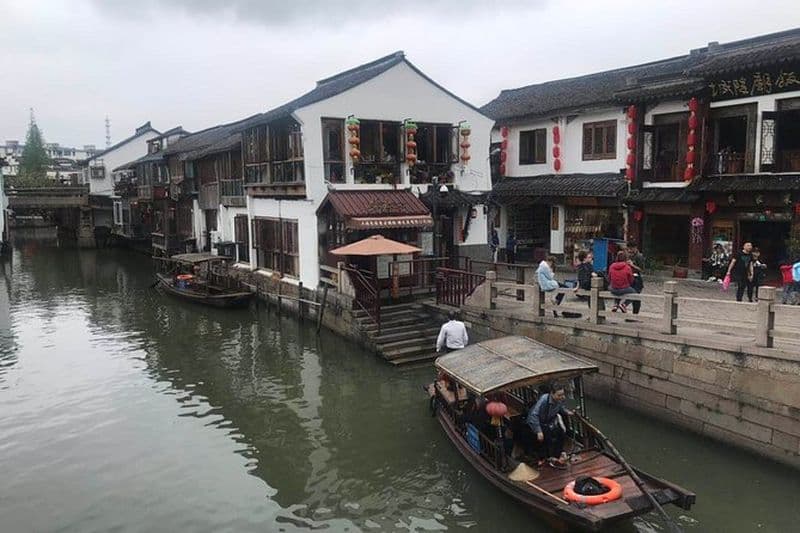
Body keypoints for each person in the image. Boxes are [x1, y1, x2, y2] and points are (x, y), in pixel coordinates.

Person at [526, 382, 573, 468]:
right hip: (536, 422)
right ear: (552, 394)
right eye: (559, 395)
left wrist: (567, 412)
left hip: (549, 421)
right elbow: (534, 415)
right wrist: (538, 431)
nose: (562, 397)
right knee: (544, 437)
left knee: (560, 433)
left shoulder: (559, 400)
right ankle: (543, 458)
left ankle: (557, 455)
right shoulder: (544, 400)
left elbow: (561, 408)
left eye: (563, 394)